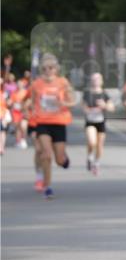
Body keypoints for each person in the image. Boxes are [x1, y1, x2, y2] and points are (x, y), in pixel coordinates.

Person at [30, 54, 76, 199]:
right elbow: (32, 103)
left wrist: (64, 104)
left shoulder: (63, 82)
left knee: (59, 160)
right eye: (44, 68)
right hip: (42, 123)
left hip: (59, 122)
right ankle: (47, 186)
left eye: (50, 68)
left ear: (56, 69)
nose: (47, 71)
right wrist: (30, 116)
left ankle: (63, 158)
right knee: (46, 154)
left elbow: (73, 101)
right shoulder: (36, 84)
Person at [81, 72, 114, 175]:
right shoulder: (87, 93)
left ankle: (96, 163)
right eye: (94, 79)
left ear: (101, 81)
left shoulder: (104, 94)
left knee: (99, 145)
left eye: (97, 79)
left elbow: (111, 108)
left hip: (101, 122)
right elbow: (83, 106)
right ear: (91, 81)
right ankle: (90, 156)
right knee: (92, 142)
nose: (95, 81)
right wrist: (88, 110)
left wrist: (104, 105)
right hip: (90, 121)